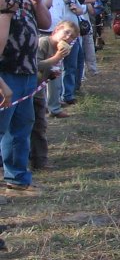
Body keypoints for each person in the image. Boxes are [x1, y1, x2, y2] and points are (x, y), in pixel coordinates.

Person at [1, 0, 52, 193]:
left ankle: (17, 178)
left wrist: (36, 1)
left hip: (27, 70)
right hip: (4, 71)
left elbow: (45, 24)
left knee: (22, 127)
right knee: (2, 127)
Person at [31, 20, 76, 171]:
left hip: (38, 91)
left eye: (72, 37)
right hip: (30, 91)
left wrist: (50, 73)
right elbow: (34, 65)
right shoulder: (44, 42)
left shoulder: (59, 48)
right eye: (66, 32)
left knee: (40, 126)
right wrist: (55, 59)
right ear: (56, 30)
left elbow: (45, 69)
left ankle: (40, 161)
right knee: (31, 126)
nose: (68, 38)